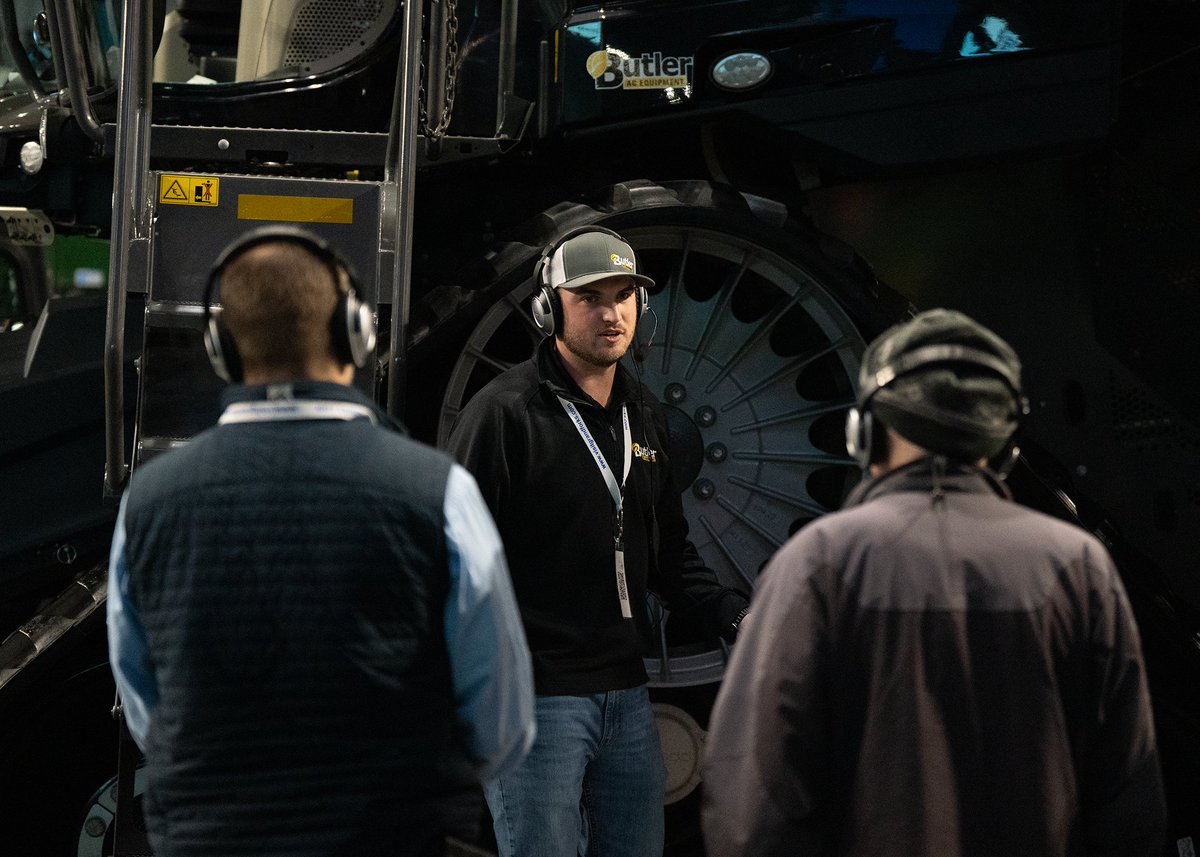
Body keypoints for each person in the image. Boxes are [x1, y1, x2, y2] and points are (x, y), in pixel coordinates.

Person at [107, 226, 535, 857]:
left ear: (221, 347)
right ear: (354, 334)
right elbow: (502, 721)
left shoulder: (147, 503)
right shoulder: (437, 491)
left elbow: (144, 706)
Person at [701, 308, 1167, 857]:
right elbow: (1127, 800)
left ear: (864, 434)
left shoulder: (818, 563)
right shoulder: (1076, 566)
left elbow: (756, 803)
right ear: (1005, 446)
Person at [445, 226, 750, 857]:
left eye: (624, 296)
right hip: (538, 698)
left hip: (627, 697)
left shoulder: (643, 415)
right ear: (549, 307)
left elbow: (668, 551)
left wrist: (737, 616)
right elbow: (454, 563)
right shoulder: (503, 415)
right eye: (589, 297)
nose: (611, 314)